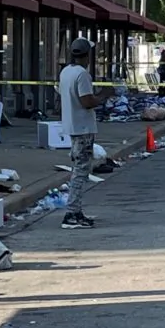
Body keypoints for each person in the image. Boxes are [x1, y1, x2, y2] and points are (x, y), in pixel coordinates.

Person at [58, 38, 111, 229]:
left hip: (72, 126)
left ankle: (74, 210)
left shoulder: (65, 72)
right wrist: (104, 95)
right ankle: (72, 213)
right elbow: (87, 101)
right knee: (81, 171)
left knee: (78, 169)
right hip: (83, 128)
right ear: (87, 55)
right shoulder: (82, 74)